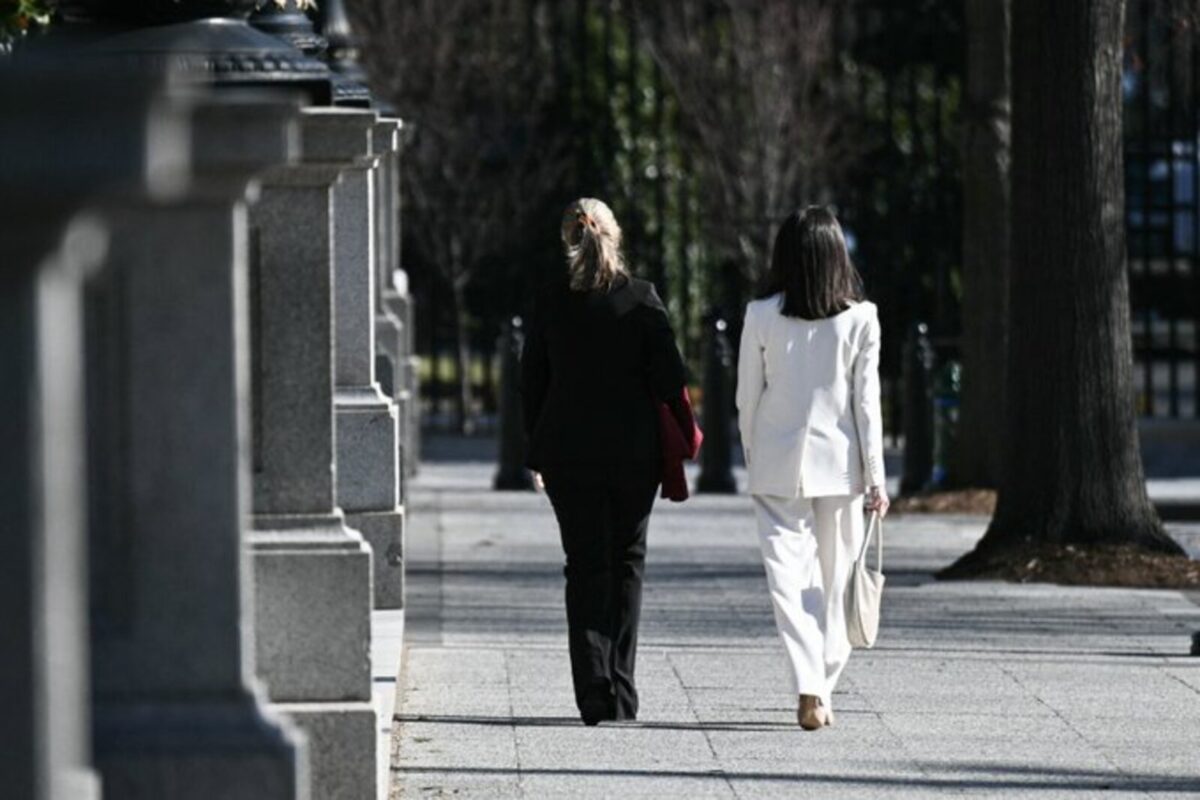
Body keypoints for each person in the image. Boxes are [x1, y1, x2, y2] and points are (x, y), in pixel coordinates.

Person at [520, 197, 688, 726]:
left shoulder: (550, 302)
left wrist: (536, 450)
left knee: (585, 566)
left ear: (567, 242)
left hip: (569, 454)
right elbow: (670, 378)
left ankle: (593, 686)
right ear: (615, 237)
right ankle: (621, 688)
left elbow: (533, 384)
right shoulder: (642, 300)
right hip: (634, 453)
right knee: (627, 564)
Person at [735, 205, 889, 731]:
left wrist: (754, 455)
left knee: (788, 580)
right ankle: (820, 682)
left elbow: (746, 400)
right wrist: (876, 476)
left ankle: (810, 684)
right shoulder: (861, 319)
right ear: (837, 256)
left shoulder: (759, 315)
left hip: (776, 464)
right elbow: (867, 406)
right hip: (841, 467)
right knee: (837, 579)